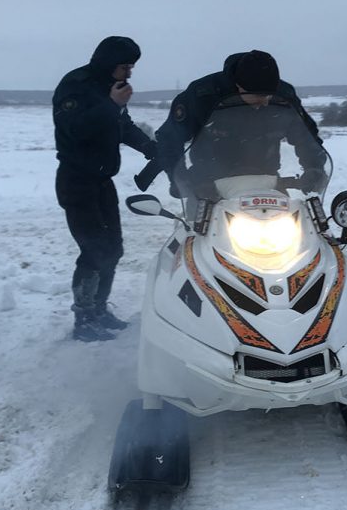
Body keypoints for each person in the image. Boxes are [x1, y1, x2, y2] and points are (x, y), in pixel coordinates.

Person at [53, 36, 156, 342]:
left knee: (113, 249)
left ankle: (99, 310)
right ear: (109, 64)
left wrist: (150, 147)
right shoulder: (75, 85)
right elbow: (76, 129)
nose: (129, 73)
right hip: (77, 180)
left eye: (131, 67)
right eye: (125, 66)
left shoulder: (110, 91)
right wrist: (111, 105)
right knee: (94, 250)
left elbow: (122, 125)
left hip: (102, 181)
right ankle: (84, 319)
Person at [150, 50, 326, 202]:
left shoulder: (283, 96)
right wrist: (181, 179)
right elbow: (170, 138)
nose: (264, 103)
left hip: (266, 182)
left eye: (268, 96)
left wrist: (314, 167)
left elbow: (305, 135)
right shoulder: (202, 96)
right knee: (195, 236)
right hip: (208, 185)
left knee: (297, 232)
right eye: (258, 97)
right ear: (238, 86)